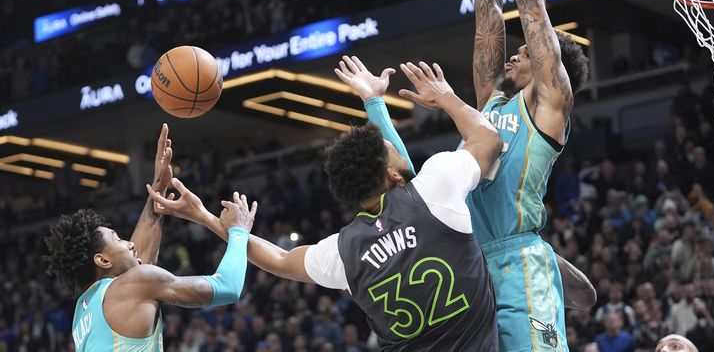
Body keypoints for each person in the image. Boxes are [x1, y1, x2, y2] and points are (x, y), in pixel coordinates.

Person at [149, 61, 503, 351]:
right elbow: (487, 139)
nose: (396, 145)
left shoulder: (342, 250)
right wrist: (445, 97)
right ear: (394, 175)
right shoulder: (435, 188)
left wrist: (206, 217)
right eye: (393, 148)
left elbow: (278, 260)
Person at [332, 53, 596, 311]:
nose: (514, 57)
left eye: (526, 54)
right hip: (480, 270)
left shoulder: (357, 239)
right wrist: (445, 98)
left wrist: (374, 101)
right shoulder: (438, 181)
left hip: (474, 280)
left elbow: (400, 171)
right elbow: (487, 140)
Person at [467, 0, 591, 350]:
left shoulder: (548, 107)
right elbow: (487, 6)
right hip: (473, 266)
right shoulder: (492, 102)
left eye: (528, 50)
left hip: (519, 262)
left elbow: (530, 1)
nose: (517, 51)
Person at [43, 124, 256, 351]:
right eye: (118, 240)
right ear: (103, 260)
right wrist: (238, 231)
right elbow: (228, 287)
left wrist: (159, 186)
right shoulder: (134, 284)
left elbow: (142, 260)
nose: (130, 243)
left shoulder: (83, 310)